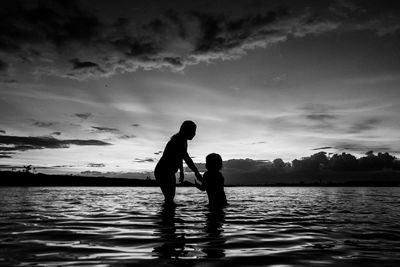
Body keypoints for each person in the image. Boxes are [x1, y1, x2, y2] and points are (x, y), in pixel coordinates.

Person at [154, 120, 202, 205]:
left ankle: (167, 215)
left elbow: (180, 157)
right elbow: (187, 158)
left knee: (170, 198)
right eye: (193, 131)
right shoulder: (178, 141)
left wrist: (181, 172)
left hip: (170, 172)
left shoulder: (184, 141)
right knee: (169, 197)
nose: (194, 134)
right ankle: (167, 216)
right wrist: (196, 172)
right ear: (187, 130)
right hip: (163, 171)